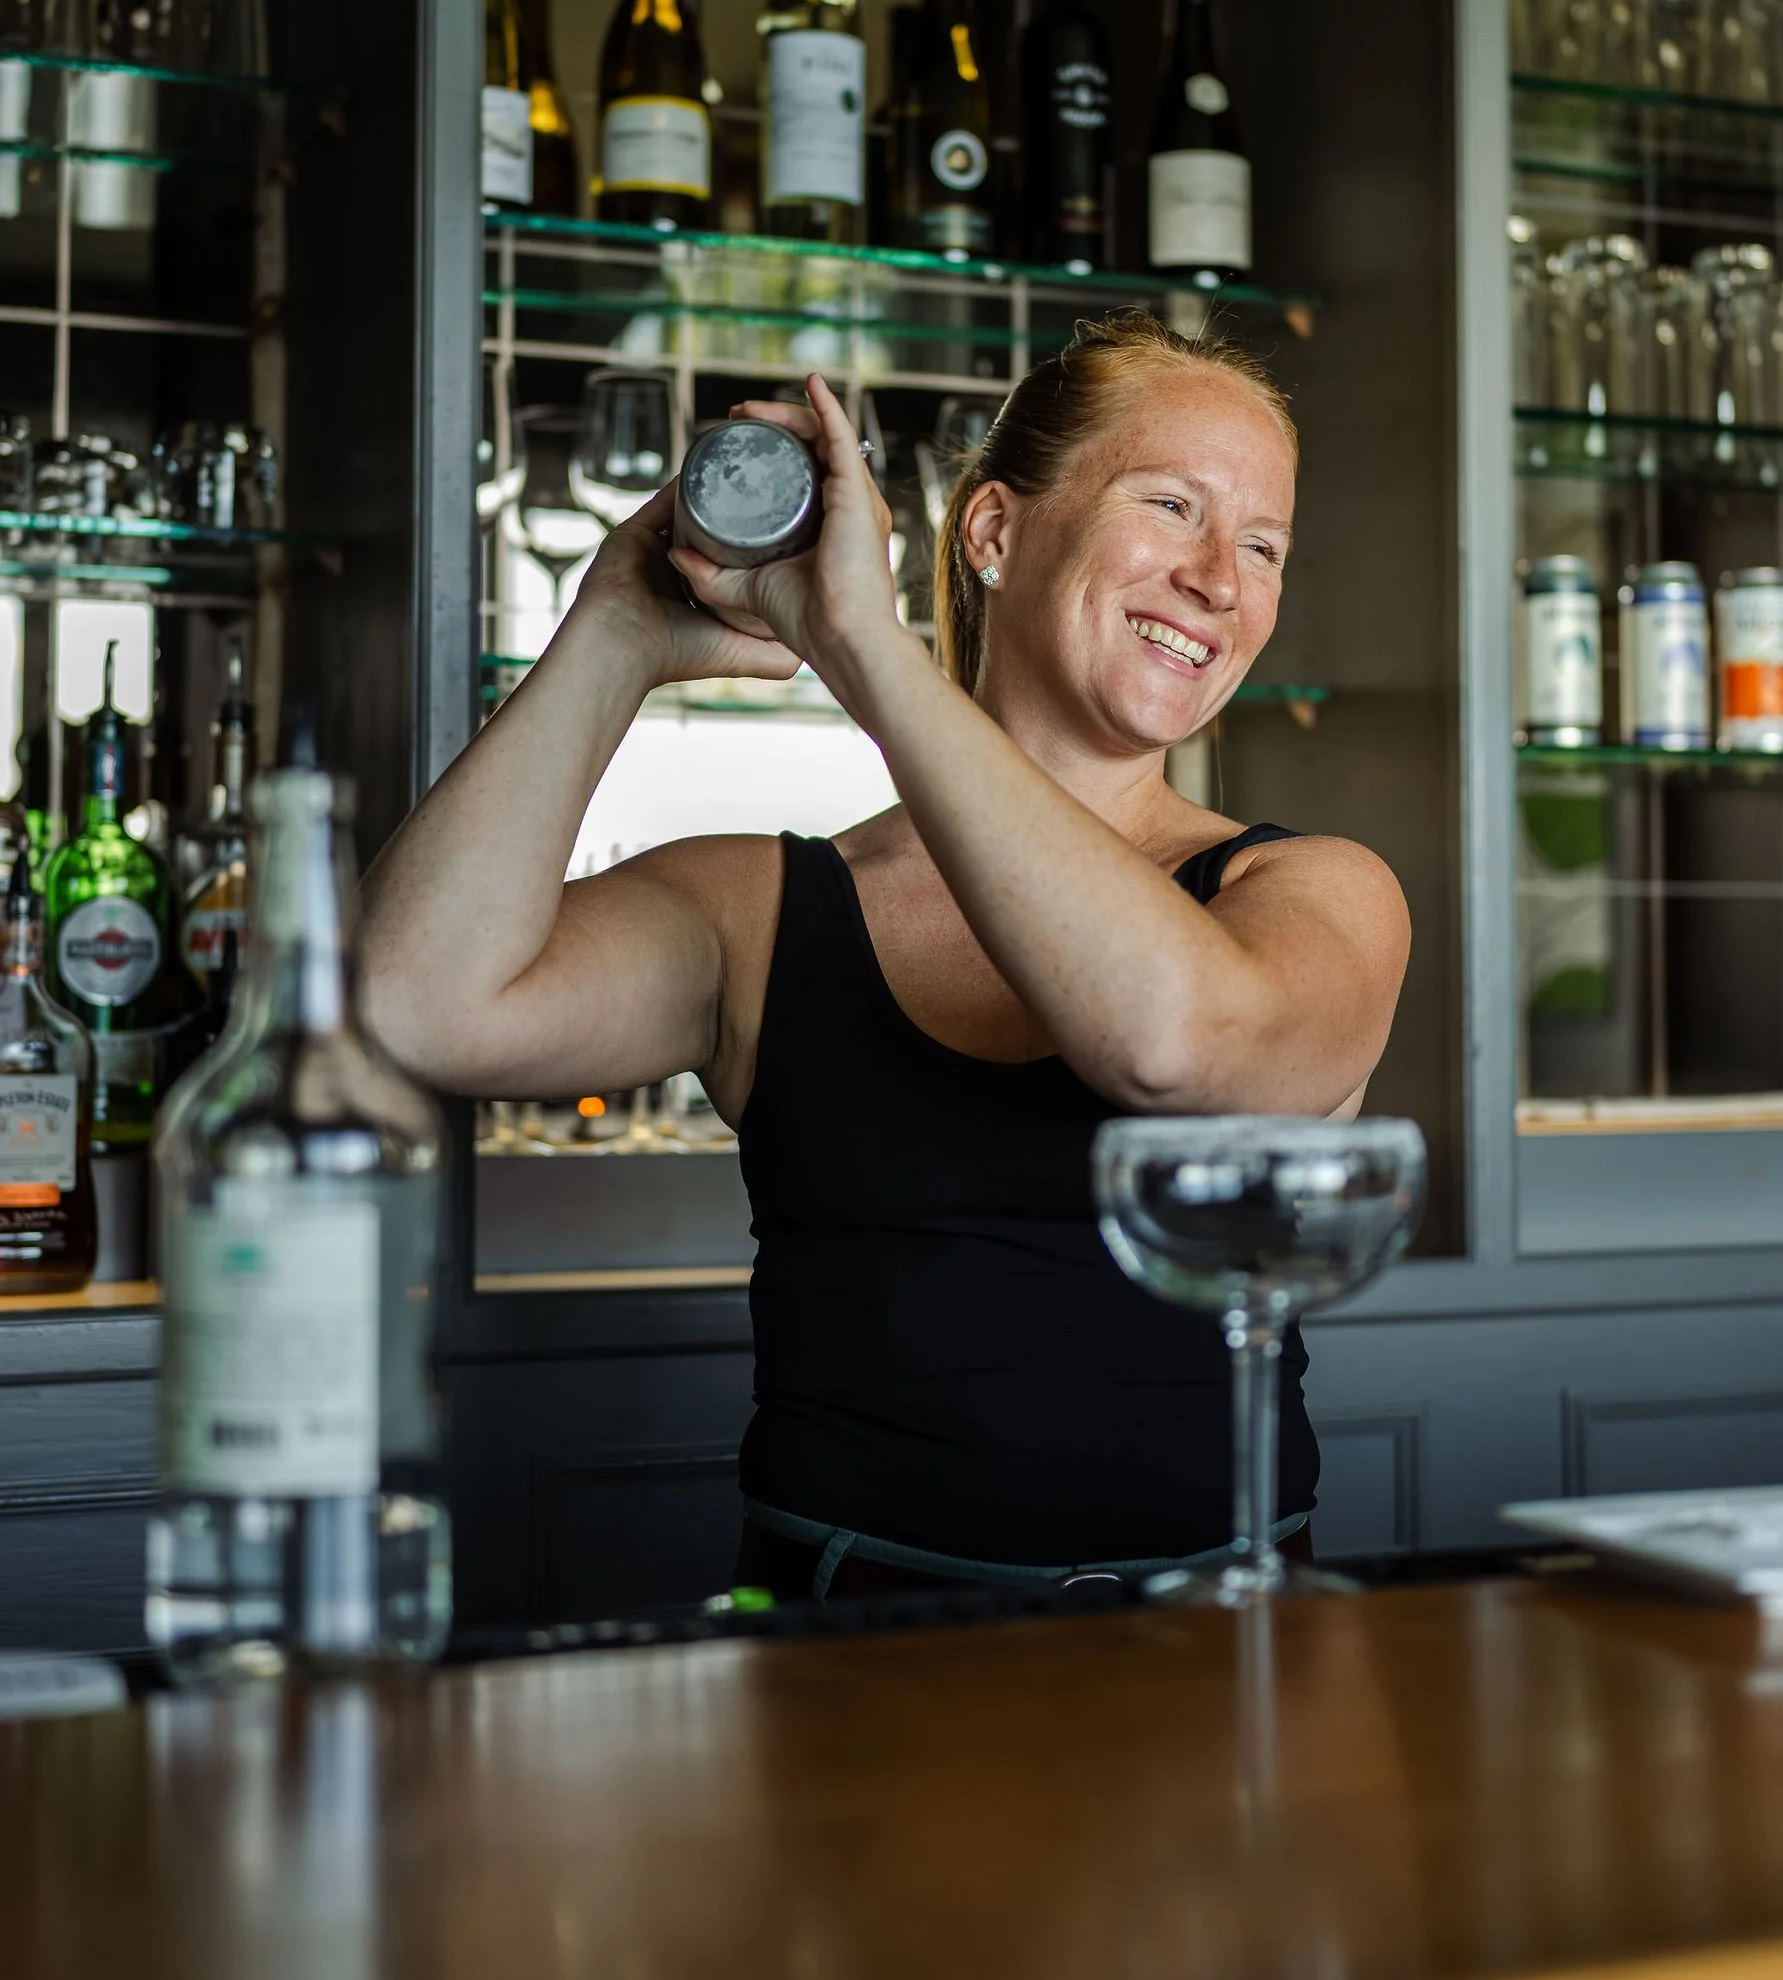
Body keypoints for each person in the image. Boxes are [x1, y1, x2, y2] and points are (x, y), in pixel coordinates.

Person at [360, 314, 1409, 1597]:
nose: (1217, 578)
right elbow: (420, 1006)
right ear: (994, 533)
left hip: (1217, 1649)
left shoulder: (1312, 894)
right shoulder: (760, 902)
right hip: (835, 1648)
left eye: (1261, 546)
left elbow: (1176, 1045)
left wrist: (869, 651)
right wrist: (613, 634)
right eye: (1171, 505)